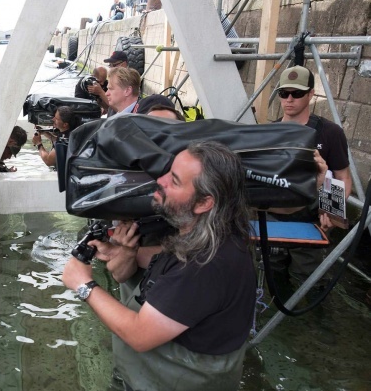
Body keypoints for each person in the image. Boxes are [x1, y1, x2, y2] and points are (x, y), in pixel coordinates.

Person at [62, 141, 256, 390]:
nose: (160, 181)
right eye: (167, 171)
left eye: (174, 181)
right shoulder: (214, 236)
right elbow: (171, 256)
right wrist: (126, 252)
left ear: (203, 203)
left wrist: (83, 285)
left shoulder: (205, 266)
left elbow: (139, 335)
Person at [269, 65, 352, 286]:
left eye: (296, 93)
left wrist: (331, 214)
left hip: (311, 220)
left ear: (311, 94)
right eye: (283, 93)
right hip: (273, 218)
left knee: (311, 281)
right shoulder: (268, 132)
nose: (289, 99)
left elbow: (343, 177)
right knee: (272, 274)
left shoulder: (330, 133)